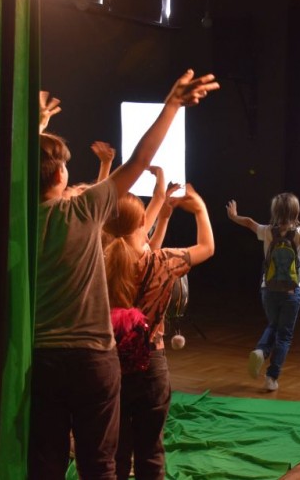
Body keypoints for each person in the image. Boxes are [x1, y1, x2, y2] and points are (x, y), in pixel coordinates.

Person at [30, 69, 218, 480]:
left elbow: (18, 169)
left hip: (40, 359)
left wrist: (36, 129)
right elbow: (139, 160)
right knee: (100, 465)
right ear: (60, 175)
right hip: (92, 359)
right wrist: (172, 104)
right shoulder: (81, 212)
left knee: (44, 463)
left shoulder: (13, 217)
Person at [104, 184, 214, 480]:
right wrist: (200, 208)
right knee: (150, 452)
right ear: (143, 221)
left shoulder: (100, 262)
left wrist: (162, 216)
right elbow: (206, 247)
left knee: (116, 452)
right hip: (150, 365)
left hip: (110, 366)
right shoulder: (162, 262)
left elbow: (131, 255)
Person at [225, 184, 300, 391]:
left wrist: (233, 216)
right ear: (296, 212)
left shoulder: (266, 231)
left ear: (274, 211)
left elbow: (248, 222)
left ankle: (261, 351)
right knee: (284, 335)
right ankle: (271, 378)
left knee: (273, 325)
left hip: (268, 289)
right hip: (292, 292)